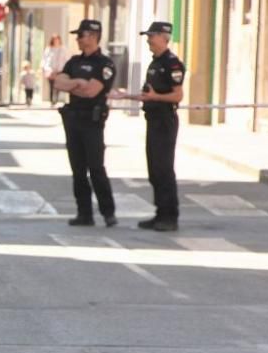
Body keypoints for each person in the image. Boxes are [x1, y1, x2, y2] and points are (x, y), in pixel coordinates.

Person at [110, 22, 186, 232]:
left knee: (163, 169)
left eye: (152, 36)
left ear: (164, 37)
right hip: (153, 119)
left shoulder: (172, 64)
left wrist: (156, 97)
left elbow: (177, 95)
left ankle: (170, 217)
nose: (148, 40)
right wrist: (126, 95)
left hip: (164, 120)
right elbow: (147, 95)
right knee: (154, 171)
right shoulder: (154, 63)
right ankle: (160, 213)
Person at [52, 19, 118, 228]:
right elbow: (58, 82)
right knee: (78, 170)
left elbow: (92, 91)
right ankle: (84, 213)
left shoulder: (104, 64)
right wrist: (77, 83)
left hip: (93, 121)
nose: (78, 40)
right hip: (73, 120)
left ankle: (108, 212)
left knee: (96, 168)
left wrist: (73, 86)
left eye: (81, 35)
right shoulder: (73, 62)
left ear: (92, 36)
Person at [41, 34, 68, 106]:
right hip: (50, 70)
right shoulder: (49, 49)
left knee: (57, 85)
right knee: (51, 85)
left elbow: (65, 59)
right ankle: (51, 100)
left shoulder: (63, 49)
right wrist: (45, 68)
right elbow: (44, 59)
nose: (56, 41)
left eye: (57, 39)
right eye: (54, 39)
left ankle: (55, 99)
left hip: (59, 70)